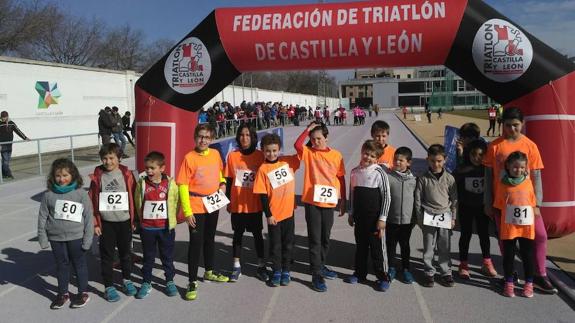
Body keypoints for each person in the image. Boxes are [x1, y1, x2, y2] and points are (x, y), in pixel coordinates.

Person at [483, 107, 557, 294]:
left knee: (539, 236)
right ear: (502, 125)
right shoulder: (495, 146)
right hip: (503, 203)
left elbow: (537, 176)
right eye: (508, 125)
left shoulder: (530, 146)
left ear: (522, 124)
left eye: (515, 125)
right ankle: (511, 275)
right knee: (506, 241)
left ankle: (540, 275)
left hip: (527, 204)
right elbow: (488, 176)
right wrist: (487, 202)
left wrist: (537, 204)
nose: (512, 129)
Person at [177, 124, 230, 301]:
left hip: (212, 203)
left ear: (212, 139)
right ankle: (192, 281)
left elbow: (220, 174)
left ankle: (209, 271)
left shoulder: (215, 154)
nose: (203, 140)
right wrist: (187, 211)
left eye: (207, 137)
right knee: (195, 242)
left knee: (209, 238)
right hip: (196, 205)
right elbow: (183, 185)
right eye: (200, 136)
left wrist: (223, 184)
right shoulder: (189, 158)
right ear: (195, 137)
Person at [294, 122, 346, 292]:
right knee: (315, 239)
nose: (316, 142)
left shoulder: (337, 155)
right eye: (313, 139)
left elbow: (341, 178)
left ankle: (320, 264)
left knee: (325, 237)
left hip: (329, 202)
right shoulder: (308, 153)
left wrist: (343, 200)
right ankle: (316, 274)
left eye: (319, 138)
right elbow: (297, 144)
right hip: (312, 202)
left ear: (326, 138)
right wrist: (307, 129)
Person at [37, 158, 94, 309]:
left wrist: (88, 239)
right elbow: (42, 217)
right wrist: (43, 238)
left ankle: (82, 292)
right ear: (53, 177)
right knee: (61, 266)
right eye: (58, 176)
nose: (61, 179)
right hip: (56, 239)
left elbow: (89, 216)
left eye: (65, 175)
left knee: (79, 265)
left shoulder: (80, 194)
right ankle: (63, 294)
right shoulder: (48, 195)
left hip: (76, 238)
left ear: (73, 175)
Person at [88, 143, 137, 302]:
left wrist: (134, 219)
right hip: (106, 223)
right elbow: (91, 201)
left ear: (119, 158)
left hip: (124, 222)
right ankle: (108, 286)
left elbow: (135, 197)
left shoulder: (127, 175)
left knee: (125, 254)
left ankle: (127, 280)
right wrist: (95, 223)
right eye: (105, 158)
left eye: (111, 158)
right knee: (107, 255)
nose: (108, 162)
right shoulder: (98, 176)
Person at [253, 133, 300, 287]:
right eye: (268, 151)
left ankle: (286, 271)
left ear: (280, 149)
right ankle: (277, 270)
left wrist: (310, 130)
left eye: (274, 150)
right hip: (274, 216)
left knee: (288, 243)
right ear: (262, 151)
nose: (271, 154)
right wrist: (268, 214)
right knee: (275, 245)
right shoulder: (263, 169)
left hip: (289, 213)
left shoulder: (289, 162)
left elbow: (302, 149)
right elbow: (262, 195)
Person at [345, 140, 391, 291]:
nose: (368, 157)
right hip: (360, 219)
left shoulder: (379, 173)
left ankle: (383, 276)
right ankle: (360, 273)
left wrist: (382, 218)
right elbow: (352, 194)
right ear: (362, 151)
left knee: (377, 249)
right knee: (361, 247)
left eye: (372, 156)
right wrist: (351, 213)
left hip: (375, 221)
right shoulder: (354, 172)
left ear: (377, 158)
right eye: (366, 153)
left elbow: (387, 197)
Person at [224, 125, 267, 282]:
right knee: (237, 235)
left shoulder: (260, 156)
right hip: (238, 203)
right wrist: (228, 201)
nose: (244, 138)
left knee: (257, 235)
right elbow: (229, 180)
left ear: (253, 137)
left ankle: (261, 266)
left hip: (255, 203)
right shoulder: (232, 156)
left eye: (248, 135)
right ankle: (236, 267)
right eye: (241, 135)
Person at [134, 151, 179, 299]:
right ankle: (146, 282)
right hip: (147, 228)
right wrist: (138, 221)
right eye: (147, 168)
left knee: (167, 257)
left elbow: (175, 202)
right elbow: (137, 202)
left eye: (152, 168)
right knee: (148, 257)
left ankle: (170, 281)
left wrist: (173, 220)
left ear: (162, 168)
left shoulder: (170, 184)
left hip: (165, 228)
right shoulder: (142, 184)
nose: (149, 171)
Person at [415, 144, 457, 288]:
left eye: (439, 161)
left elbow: (454, 199)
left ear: (444, 160)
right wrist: (420, 218)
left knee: (444, 246)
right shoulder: (423, 178)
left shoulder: (449, 178)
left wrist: (453, 218)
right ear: (428, 160)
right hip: (428, 215)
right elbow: (418, 199)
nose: (436, 164)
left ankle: (446, 272)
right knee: (428, 246)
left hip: (445, 215)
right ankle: (429, 272)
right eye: (432, 161)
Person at [495, 152, 537, 298]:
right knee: (508, 256)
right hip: (509, 228)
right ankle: (509, 283)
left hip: (526, 228)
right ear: (508, 166)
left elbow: (533, 203)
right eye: (515, 167)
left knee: (527, 256)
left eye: (521, 167)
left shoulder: (529, 182)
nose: (518, 170)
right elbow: (499, 205)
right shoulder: (502, 184)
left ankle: (529, 284)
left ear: (526, 168)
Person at [454, 140, 497, 279]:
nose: (477, 158)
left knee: (484, 235)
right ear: (468, 154)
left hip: (482, 208)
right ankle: (463, 264)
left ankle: (487, 262)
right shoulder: (461, 170)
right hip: (466, 207)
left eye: (480, 155)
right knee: (465, 235)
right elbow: (453, 187)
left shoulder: (488, 169)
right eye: (473, 154)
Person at [385, 147, 417, 284]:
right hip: (391, 219)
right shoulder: (388, 177)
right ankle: (391, 267)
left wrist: (415, 218)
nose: (397, 162)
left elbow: (417, 199)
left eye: (401, 160)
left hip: (407, 220)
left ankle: (406, 269)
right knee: (390, 244)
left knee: (405, 245)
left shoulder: (414, 180)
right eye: (395, 159)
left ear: (408, 163)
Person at [0, 111, 30, 180]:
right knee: (5, 161)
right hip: (2, 145)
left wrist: (25, 138)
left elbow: (18, 131)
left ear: (7, 116)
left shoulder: (11, 123)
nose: (3, 118)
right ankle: (8, 174)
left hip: (9, 145)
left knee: (7, 160)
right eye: (2, 117)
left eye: (5, 117)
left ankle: (3, 174)